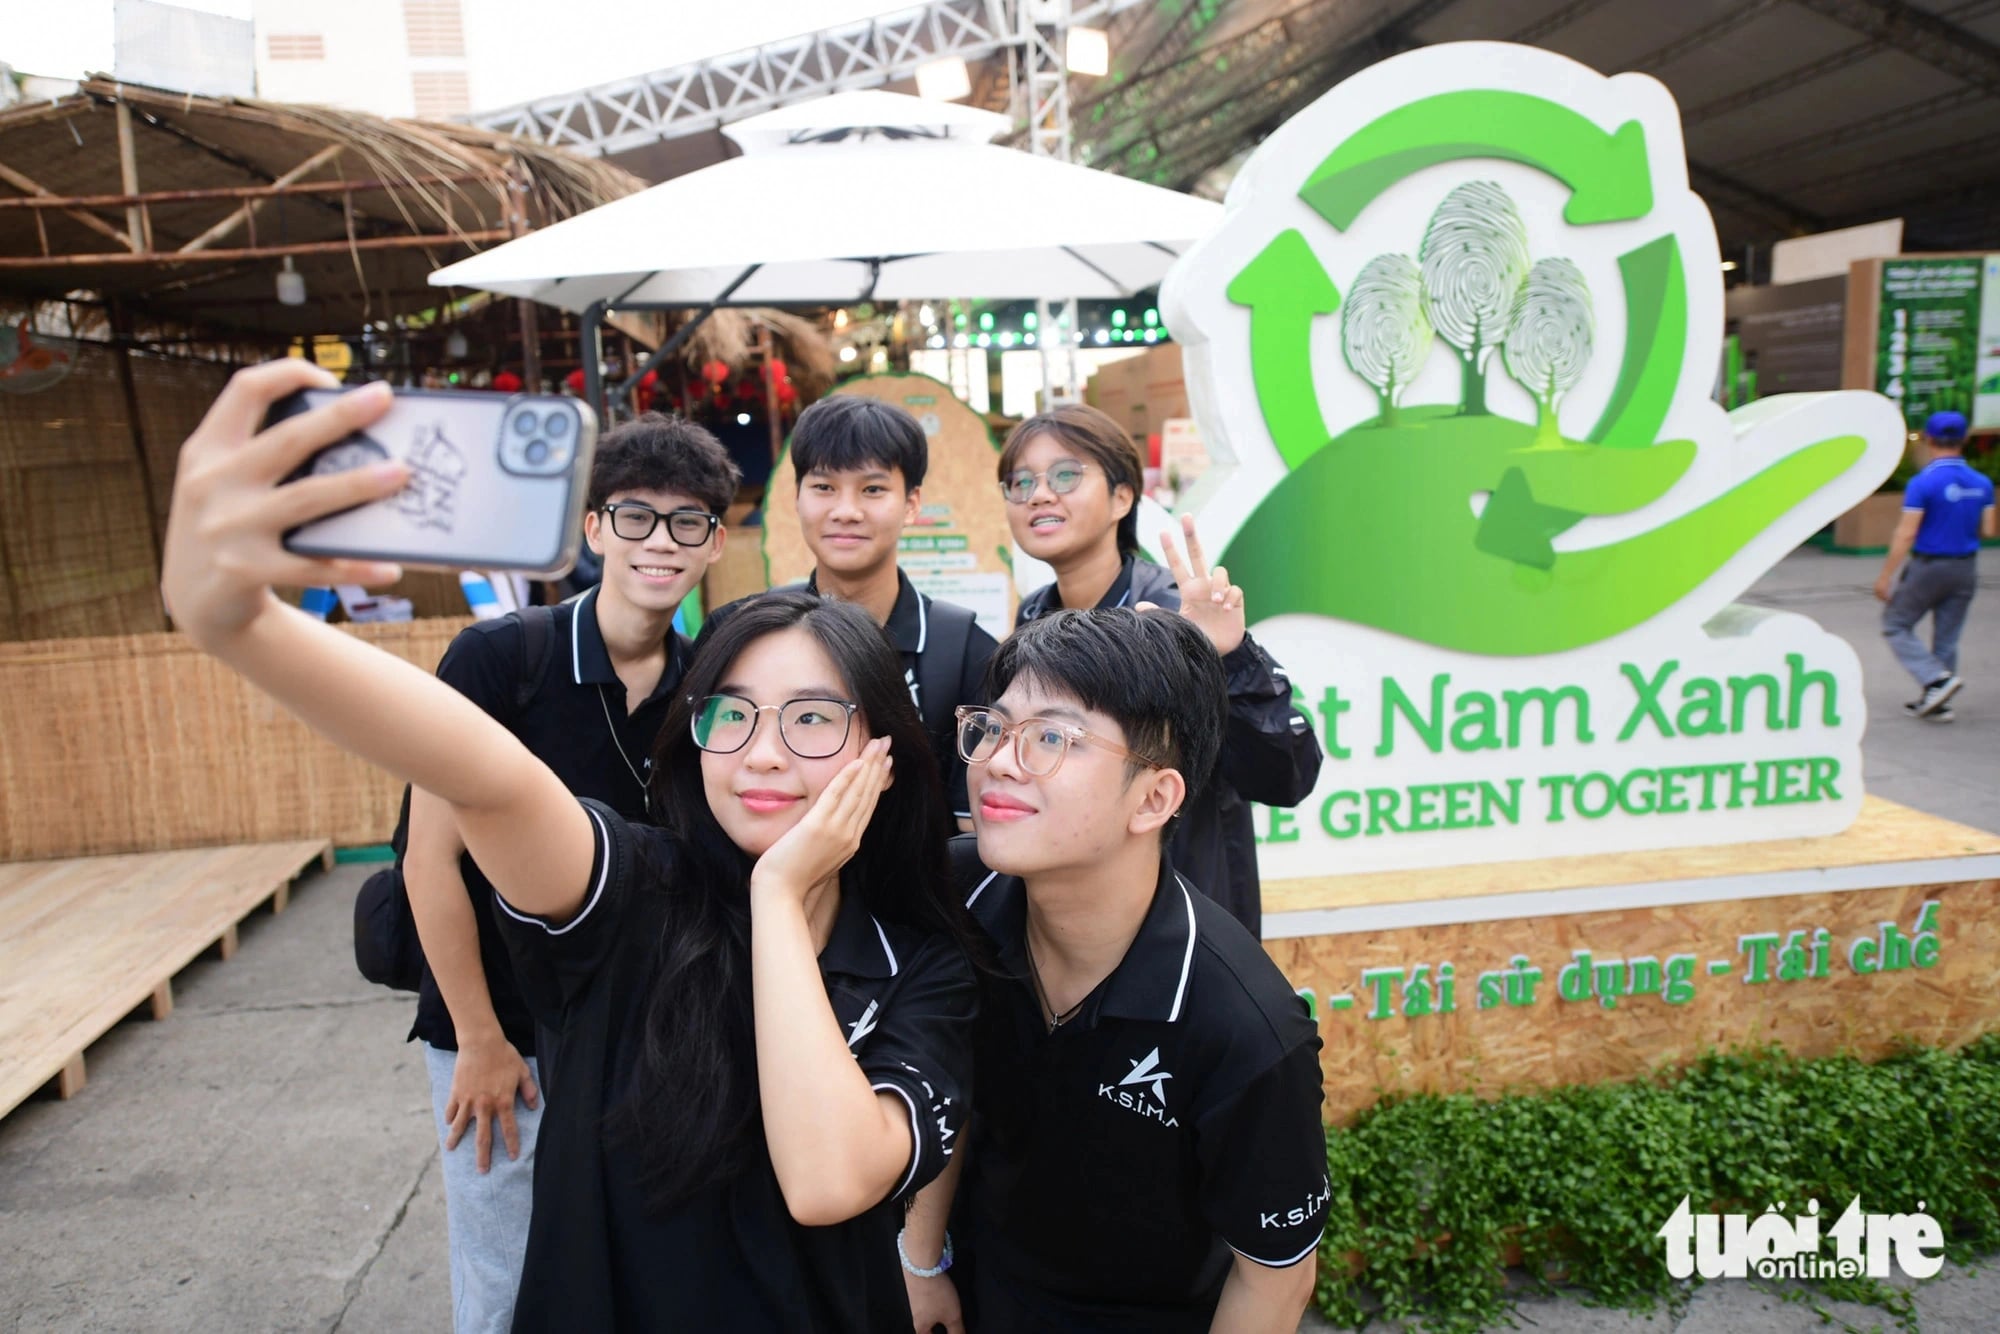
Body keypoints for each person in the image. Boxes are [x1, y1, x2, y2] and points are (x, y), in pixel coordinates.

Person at [159, 363, 978, 1332]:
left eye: (811, 717)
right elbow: (488, 777)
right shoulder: (634, 889)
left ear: (881, 750)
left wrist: (776, 899)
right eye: (733, 714)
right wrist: (240, 622)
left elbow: (827, 1180)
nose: (761, 751)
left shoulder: (924, 967)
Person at [901, 607, 1329, 1334]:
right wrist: (920, 1264)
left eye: (1052, 738)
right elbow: (947, 1088)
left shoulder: (1245, 1029)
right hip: (977, 1287)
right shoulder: (957, 892)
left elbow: (1276, 1279)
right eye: (996, 728)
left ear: (1154, 798)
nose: (1000, 760)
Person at [402, 412, 738, 1332]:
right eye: (635, 516)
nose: (659, 542)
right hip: (501, 1025)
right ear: (593, 529)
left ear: (716, 542)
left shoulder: (710, 684)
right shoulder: (502, 660)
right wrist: (476, 1036)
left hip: (641, 1034)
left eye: (688, 521)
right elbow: (428, 857)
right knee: (504, 1275)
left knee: (628, 1270)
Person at [998, 403, 1322, 935]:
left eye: (1065, 475)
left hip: (1180, 924)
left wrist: (1228, 656)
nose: (1039, 494)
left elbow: (1286, 773)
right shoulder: (1035, 613)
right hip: (1073, 922)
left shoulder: (1173, 614)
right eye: (1020, 481)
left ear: (1122, 497)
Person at [709, 394, 996, 826]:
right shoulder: (737, 637)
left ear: (912, 504)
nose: (846, 511)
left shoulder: (966, 655)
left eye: (873, 489)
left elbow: (972, 830)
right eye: (824, 487)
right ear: (797, 498)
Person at [1875, 410, 1996, 722]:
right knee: (1947, 636)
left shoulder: (1923, 482)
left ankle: (1936, 680)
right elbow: (1989, 529)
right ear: (1964, 440)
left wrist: (1887, 576)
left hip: (1929, 566)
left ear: (1929, 440)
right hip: (1965, 567)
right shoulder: (1982, 483)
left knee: (1896, 623)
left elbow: (1906, 532)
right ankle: (1938, 701)